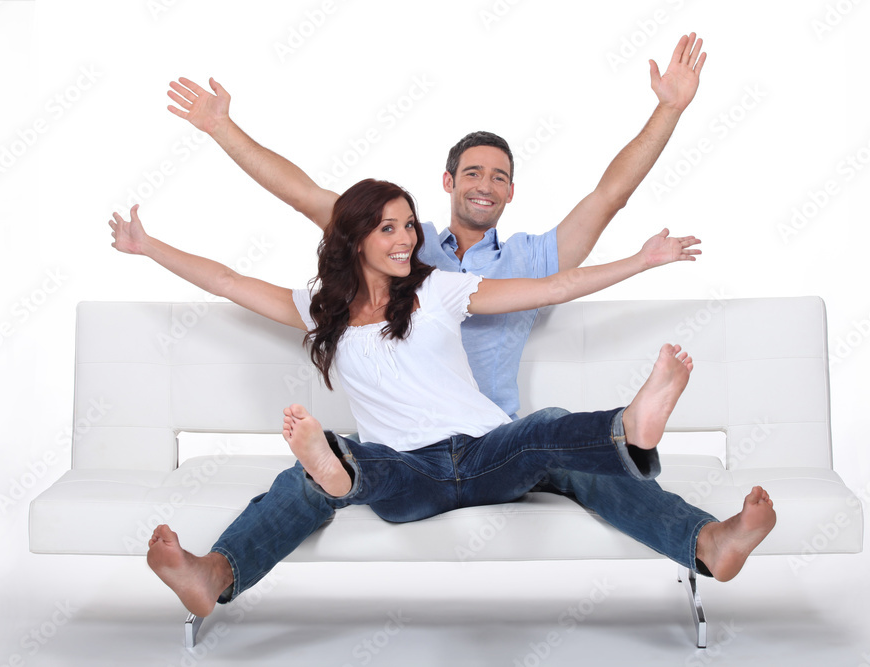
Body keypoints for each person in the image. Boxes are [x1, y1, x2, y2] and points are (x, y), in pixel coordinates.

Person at [159, 34, 748, 594]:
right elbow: (299, 197)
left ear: (511, 192)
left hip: (498, 440)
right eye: (472, 172)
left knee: (561, 444)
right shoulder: (403, 249)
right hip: (400, 448)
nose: (485, 184)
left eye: (499, 176)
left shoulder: (521, 262)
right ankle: (224, 567)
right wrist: (221, 127)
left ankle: (702, 535)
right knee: (324, 467)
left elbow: (603, 204)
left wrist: (668, 111)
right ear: (447, 182)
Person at [109, 179, 776, 619]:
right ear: (354, 238)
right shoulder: (319, 308)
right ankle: (217, 570)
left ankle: (697, 522)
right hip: (407, 471)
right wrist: (147, 246)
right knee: (324, 468)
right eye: (389, 228)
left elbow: (552, 288)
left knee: (544, 432)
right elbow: (226, 280)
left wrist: (641, 260)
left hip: (489, 453)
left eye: (408, 225)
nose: (406, 238)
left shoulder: (440, 289)